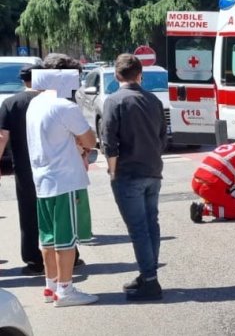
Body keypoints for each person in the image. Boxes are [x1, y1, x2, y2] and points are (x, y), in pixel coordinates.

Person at [26, 54, 98, 307]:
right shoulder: (64, 105)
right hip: (65, 179)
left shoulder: (35, 103)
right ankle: (65, 290)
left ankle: (51, 287)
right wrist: (82, 144)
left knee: (47, 238)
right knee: (66, 239)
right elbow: (89, 140)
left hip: (42, 178)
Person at [102, 54, 168, 301]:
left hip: (128, 173)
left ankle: (150, 280)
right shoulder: (153, 100)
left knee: (139, 229)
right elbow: (163, 138)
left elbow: (109, 142)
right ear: (141, 74)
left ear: (117, 76)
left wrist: (112, 171)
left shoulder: (114, 101)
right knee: (151, 226)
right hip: (153, 170)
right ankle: (147, 275)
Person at [190, 136, 235, 223]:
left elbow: (225, 173)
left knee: (226, 195)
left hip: (196, 183)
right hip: (210, 188)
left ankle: (211, 202)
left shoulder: (225, 147)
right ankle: (204, 209)